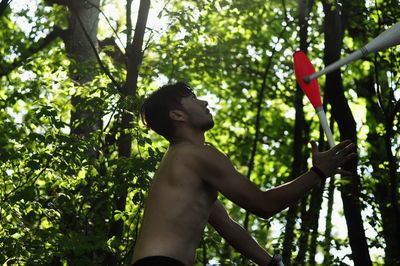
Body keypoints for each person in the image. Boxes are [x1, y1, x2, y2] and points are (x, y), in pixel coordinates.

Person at [131, 82, 356, 266]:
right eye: (192, 97)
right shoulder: (197, 154)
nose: (204, 101)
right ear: (177, 115)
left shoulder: (181, 162)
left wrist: (270, 263)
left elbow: (227, 225)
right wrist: (317, 172)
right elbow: (264, 204)